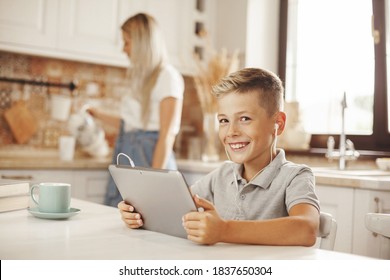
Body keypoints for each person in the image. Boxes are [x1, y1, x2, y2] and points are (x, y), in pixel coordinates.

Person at [118, 68, 320, 246]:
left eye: (245, 119)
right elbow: (172, 206)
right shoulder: (222, 175)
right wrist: (139, 213)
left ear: (279, 124)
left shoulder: (295, 177)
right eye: (224, 120)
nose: (231, 131)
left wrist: (224, 230)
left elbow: (307, 229)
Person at [88, 13, 184, 207]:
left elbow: (166, 135)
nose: (124, 50)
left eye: (127, 42)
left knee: (146, 218)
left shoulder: (168, 77)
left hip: (148, 156)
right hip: (128, 151)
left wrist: (154, 183)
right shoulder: (141, 80)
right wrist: (97, 114)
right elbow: (130, 125)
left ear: (142, 44)